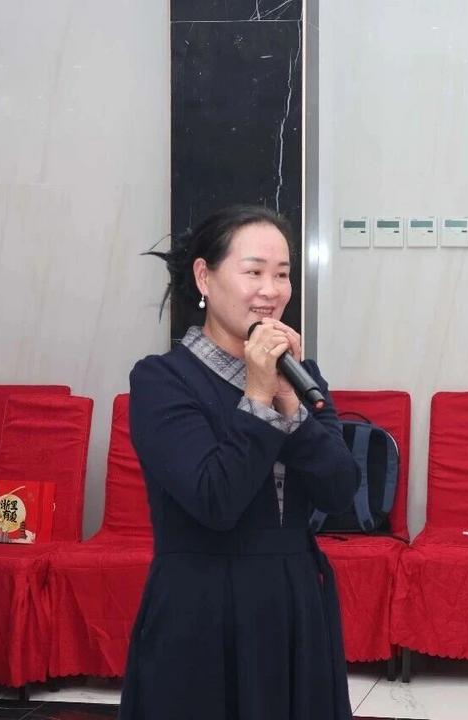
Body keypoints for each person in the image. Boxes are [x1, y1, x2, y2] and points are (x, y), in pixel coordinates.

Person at [119, 205, 359, 719]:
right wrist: (257, 394)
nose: (271, 291)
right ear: (204, 277)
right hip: (203, 611)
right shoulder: (162, 380)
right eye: (253, 272)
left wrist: (289, 402)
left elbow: (340, 491)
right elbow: (216, 500)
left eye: (282, 274)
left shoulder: (302, 378)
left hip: (295, 605)